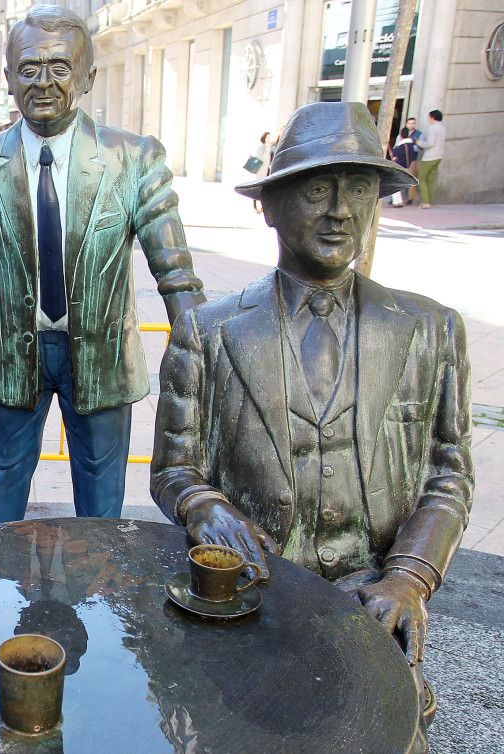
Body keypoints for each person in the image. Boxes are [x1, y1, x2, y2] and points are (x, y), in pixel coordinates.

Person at [151, 101, 472, 739]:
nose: (341, 211)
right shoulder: (207, 333)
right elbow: (174, 468)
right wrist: (203, 507)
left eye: (359, 189)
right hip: (250, 596)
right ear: (269, 206)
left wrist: (408, 579)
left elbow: (449, 475)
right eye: (318, 190)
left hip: (371, 596)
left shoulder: (432, 330)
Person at [0, 5, 205, 526]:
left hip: (100, 359)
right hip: (12, 358)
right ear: (8, 78)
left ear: (87, 76)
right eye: (29, 68)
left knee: (103, 515)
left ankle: (97, 600)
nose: (44, 82)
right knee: (0, 502)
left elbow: (175, 271)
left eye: (60, 67)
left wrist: (204, 342)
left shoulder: (135, 158)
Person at [416, 110, 446, 208]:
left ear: (432, 117)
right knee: (431, 179)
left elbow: (430, 143)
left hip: (429, 157)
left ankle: (425, 201)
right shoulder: (442, 127)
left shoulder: (433, 128)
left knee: (421, 178)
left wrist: (419, 143)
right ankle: (429, 200)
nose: (428, 119)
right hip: (438, 156)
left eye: (429, 117)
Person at [390, 127, 418, 207]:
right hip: (410, 167)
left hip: (400, 167)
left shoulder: (399, 147)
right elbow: (414, 156)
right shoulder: (412, 145)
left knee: (395, 184)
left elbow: (395, 157)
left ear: (401, 136)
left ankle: (397, 202)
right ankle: (409, 199)